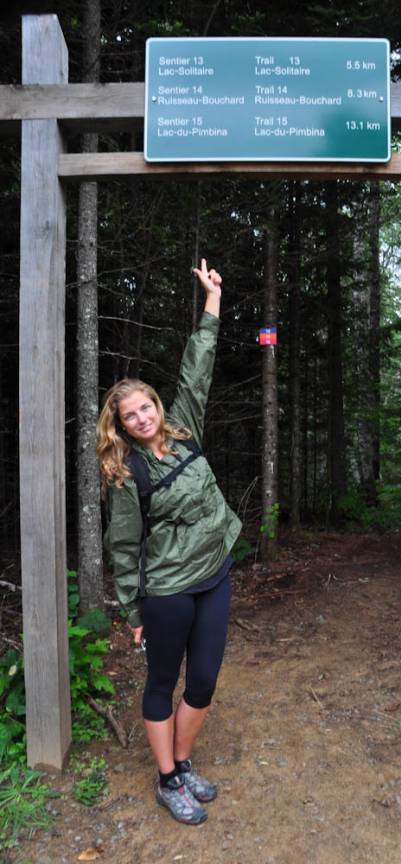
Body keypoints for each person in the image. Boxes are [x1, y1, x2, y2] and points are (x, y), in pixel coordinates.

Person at [96, 260, 241, 825]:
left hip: (215, 570)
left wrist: (212, 300)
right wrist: (133, 608)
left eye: (146, 406)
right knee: (163, 680)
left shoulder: (184, 428)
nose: (142, 417)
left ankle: (183, 765)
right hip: (166, 590)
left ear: (158, 407)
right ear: (122, 426)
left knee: (202, 680)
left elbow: (196, 370)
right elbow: (124, 547)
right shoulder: (127, 474)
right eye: (130, 415)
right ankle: (165, 780)